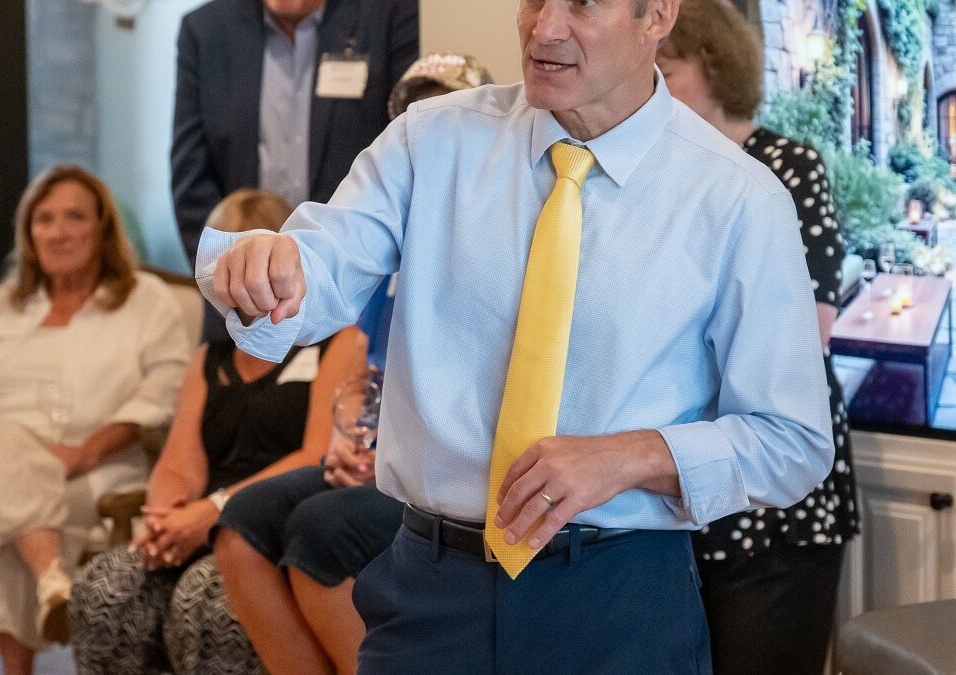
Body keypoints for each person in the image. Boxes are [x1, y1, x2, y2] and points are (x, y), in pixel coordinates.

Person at [197, 0, 836, 670]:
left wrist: (630, 457)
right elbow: (322, 263)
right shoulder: (431, 141)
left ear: (658, 15)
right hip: (427, 595)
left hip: (619, 601)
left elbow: (792, 440)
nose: (545, 28)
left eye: (582, 3)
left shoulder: (739, 199)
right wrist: (271, 269)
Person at [211, 53, 492, 675]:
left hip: (447, 473)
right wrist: (346, 447)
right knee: (243, 518)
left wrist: (387, 454)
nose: (428, 132)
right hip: (377, 457)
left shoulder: (492, 243)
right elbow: (351, 376)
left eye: (445, 112)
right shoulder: (386, 251)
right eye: (412, 118)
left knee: (321, 530)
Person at [68, 189, 365, 675]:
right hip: (196, 522)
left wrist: (213, 511)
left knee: (203, 600)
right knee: (105, 587)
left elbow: (316, 454)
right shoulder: (210, 357)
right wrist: (165, 522)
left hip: (267, 528)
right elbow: (179, 464)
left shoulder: (335, 342)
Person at [655, 2, 859, 672]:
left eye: (667, 68)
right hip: (667, 490)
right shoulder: (651, 173)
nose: (652, 84)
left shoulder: (786, 167)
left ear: (717, 68)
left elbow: (812, 333)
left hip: (772, 488)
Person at [0, 165, 190, 675]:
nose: (58, 231)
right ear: (29, 232)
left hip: (94, 468)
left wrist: (86, 452)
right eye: (45, 219)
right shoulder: (0, 306)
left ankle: (17, 664)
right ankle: (51, 580)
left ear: (103, 229)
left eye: (75, 217)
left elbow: (167, 387)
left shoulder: (146, 300)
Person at [171, 0, 418, 339]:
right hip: (241, 304)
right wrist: (231, 280)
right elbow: (190, 181)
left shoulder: (390, 16)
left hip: (352, 305)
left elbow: (404, 170)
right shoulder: (206, 29)